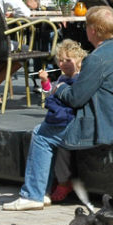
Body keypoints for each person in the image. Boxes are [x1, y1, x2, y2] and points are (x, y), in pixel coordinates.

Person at [3, 6, 113, 210]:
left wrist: (59, 88)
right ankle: (43, 192)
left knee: (41, 134)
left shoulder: (97, 58)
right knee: (48, 130)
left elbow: (76, 98)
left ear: (92, 30)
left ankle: (33, 194)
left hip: (104, 127)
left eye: (86, 26)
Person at [37, 40, 90, 206]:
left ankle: (63, 181)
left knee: (62, 146)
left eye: (68, 60)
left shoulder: (81, 77)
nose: (63, 64)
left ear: (79, 60)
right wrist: (46, 82)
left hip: (75, 119)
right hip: (61, 118)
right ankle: (55, 179)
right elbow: (50, 92)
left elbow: (76, 98)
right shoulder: (61, 77)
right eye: (60, 60)